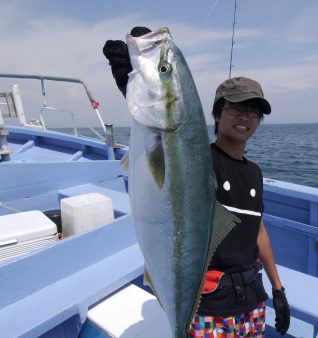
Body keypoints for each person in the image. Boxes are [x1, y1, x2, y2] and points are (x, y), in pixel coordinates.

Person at [103, 27, 290, 337]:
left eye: (253, 111)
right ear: (217, 114)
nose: (245, 117)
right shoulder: (201, 160)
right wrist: (132, 80)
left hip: (252, 302)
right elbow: (168, 141)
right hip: (209, 305)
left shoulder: (254, 172)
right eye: (235, 108)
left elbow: (258, 230)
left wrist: (278, 289)